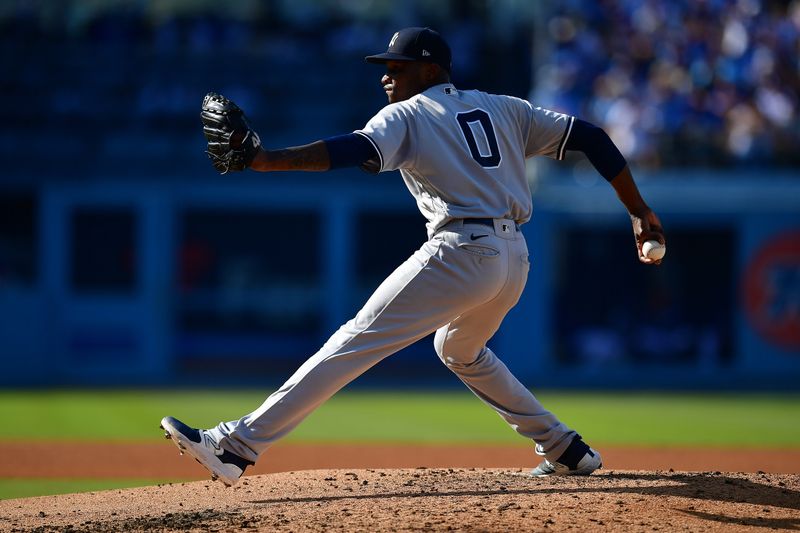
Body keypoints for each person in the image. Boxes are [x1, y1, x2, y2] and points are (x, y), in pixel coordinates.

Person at [161, 27, 666, 486]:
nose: (385, 76)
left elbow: (350, 150)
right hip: (513, 259)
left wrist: (268, 160)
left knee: (356, 338)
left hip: (461, 252)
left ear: (431, 70)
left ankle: (235, 447)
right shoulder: (506, 107)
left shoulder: (407, 113)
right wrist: (638, 210)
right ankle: (566, 449)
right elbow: (593, 138)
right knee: (459, 350)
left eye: (397, 67)